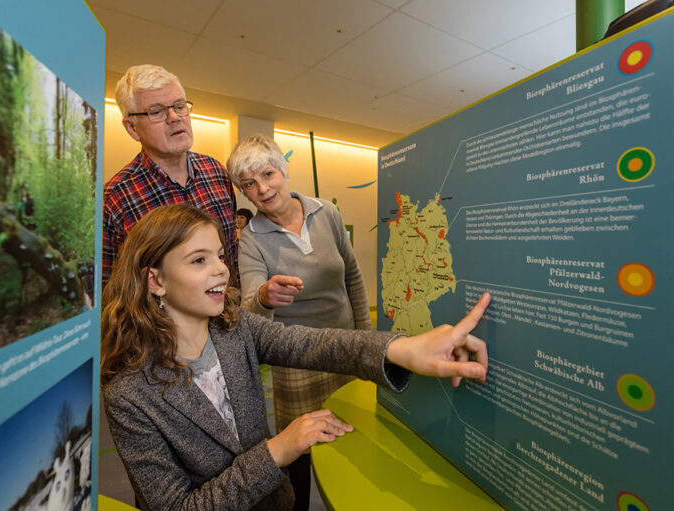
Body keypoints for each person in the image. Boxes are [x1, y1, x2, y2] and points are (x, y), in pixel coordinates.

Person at [101, 203, 491, 511]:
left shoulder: (235, 330)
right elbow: (177, 506)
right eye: (199, 260)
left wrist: (403, 348)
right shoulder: (129, 393)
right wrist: (279, 450)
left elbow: (314, 344)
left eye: (220, 256)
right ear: (155, 280)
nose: (221, 270)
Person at [226, 134, 368, 509]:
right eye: (249, 184)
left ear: (284, 170)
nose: (262, 188)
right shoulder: (251, 239)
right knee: (301, 451)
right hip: (298, 360)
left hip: (345, 347)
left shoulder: (327, 213)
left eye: (268, 174)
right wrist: (263, 296)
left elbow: (352, 277)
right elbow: (251, 309)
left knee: (353, 433)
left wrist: (366, 340)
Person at [102, 64, 238, 285]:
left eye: (179, 106)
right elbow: (108, 290)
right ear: (132, 128)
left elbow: (233, 258)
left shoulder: (216, 172)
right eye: (156, 112)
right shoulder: (115, 196)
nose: (174, 117)